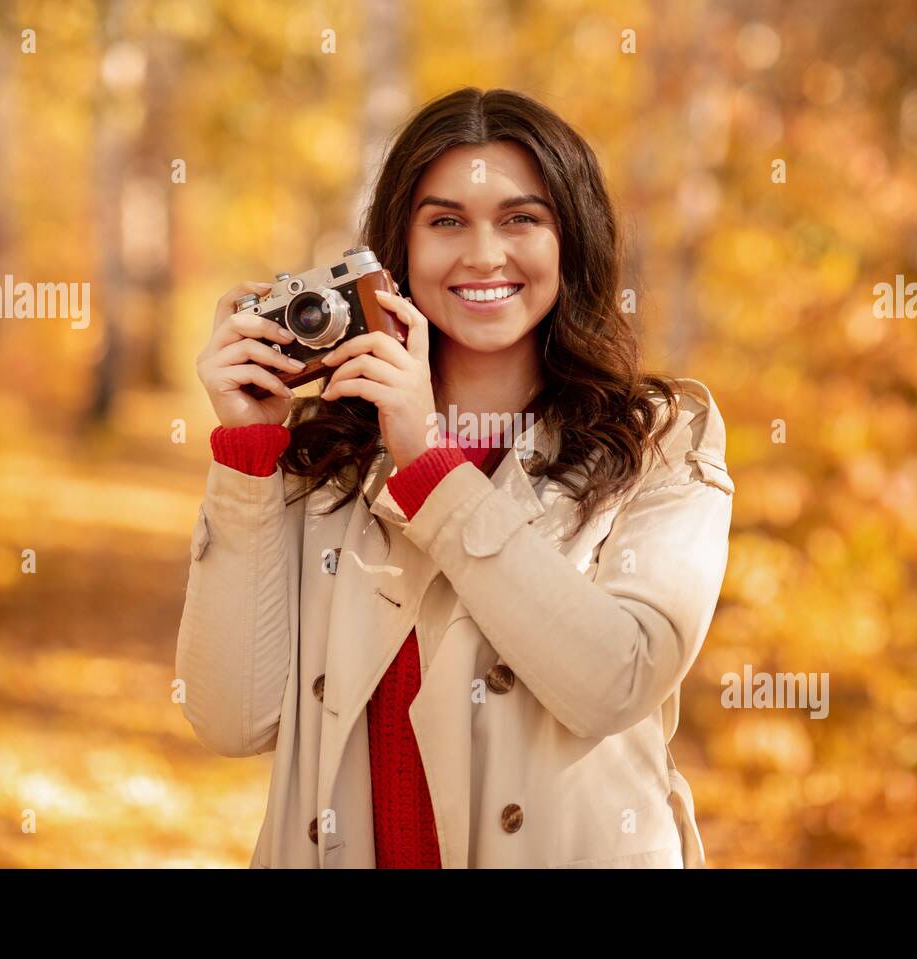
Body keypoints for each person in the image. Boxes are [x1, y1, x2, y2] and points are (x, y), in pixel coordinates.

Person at [176, 86, 734, 868]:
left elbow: (614, 680)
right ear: (396, 252)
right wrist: (248, 450)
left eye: (520, 219)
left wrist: (431, 466)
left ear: (572, 238)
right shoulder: (330, 454)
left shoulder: (660, 438)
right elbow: (230, 716)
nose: (482, 254)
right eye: (445, 221)